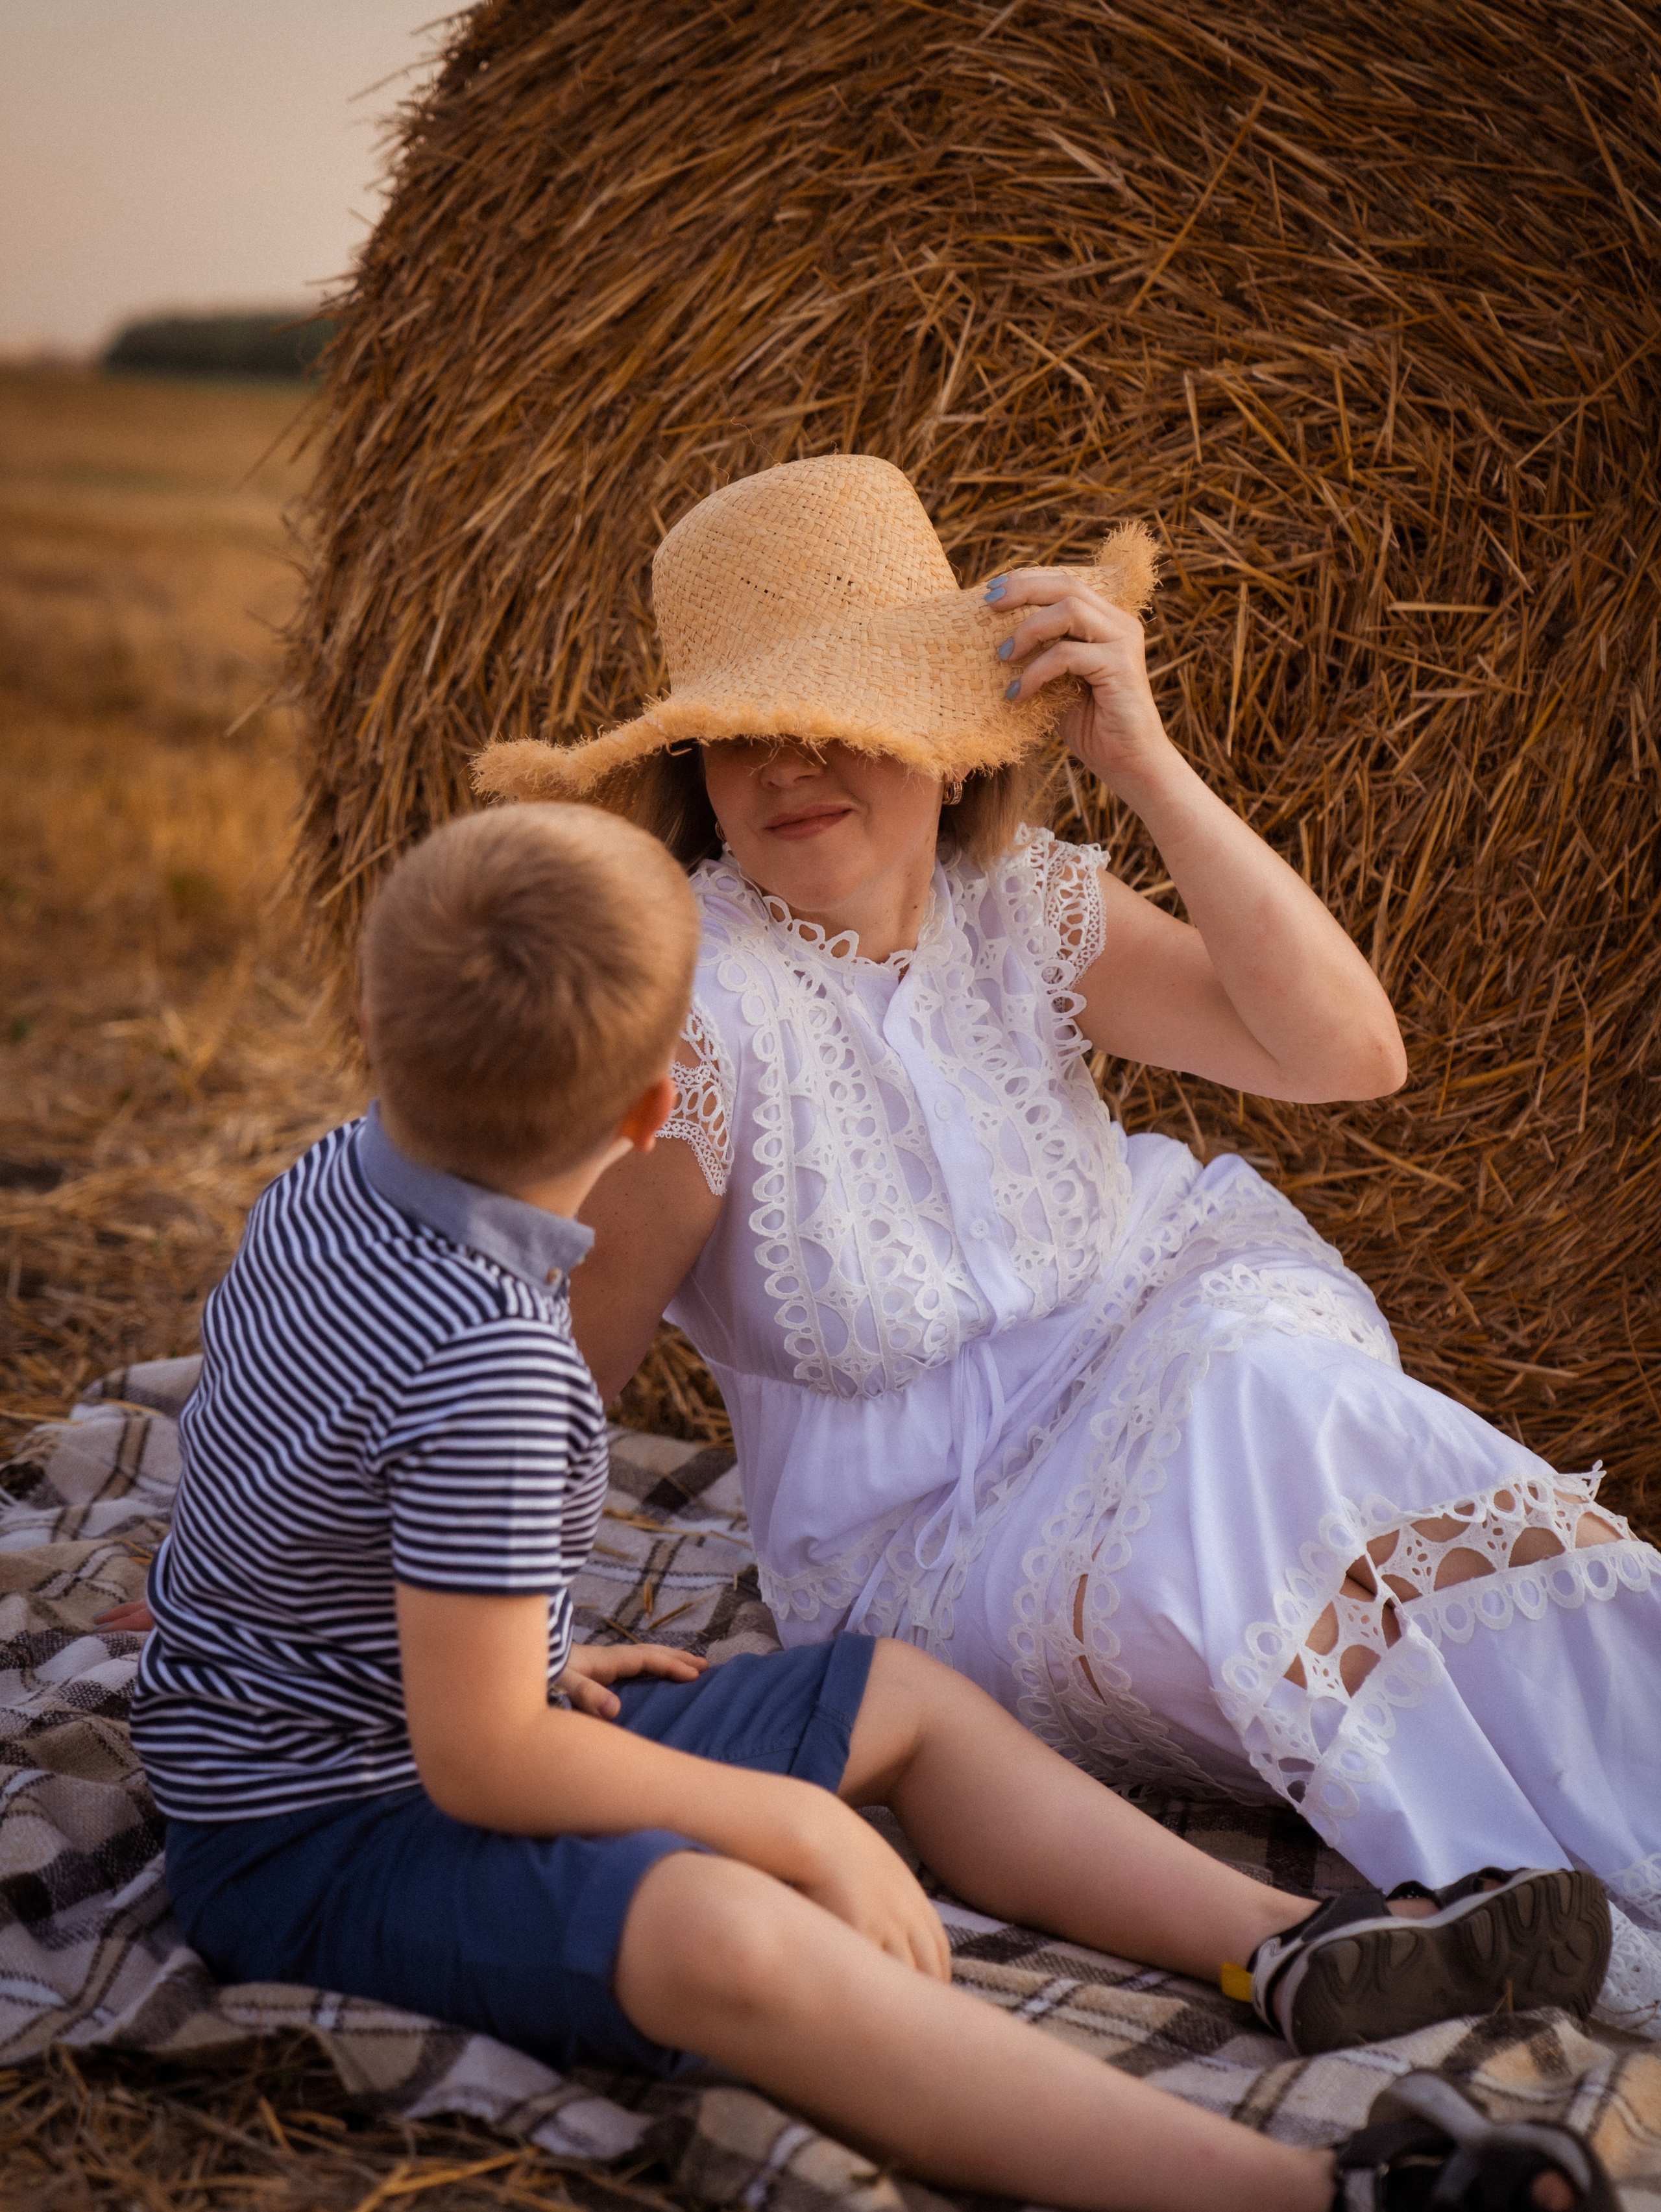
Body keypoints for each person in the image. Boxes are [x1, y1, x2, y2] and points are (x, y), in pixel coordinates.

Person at [126, 805, 1611, 2212]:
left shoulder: (332, 1176)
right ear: (659, 1108)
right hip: (310, 1831)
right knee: (735, 1934)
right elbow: (476, 1764)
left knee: (898, 1696)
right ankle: (1317, 2188)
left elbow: (312, 1487)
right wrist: (790, 1823)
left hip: (428, 1709)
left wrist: (524, 1645)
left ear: (374, 1033)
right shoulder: (502, 1370)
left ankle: (1287, 1948)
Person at [474, 452, 1661, 2039]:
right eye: (742, 728)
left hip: (1176, 1332)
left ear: (945, 737)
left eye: (844, 707)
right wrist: (424, 1620)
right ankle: (1535, 1903)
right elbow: (562, 1354)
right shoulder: (702, 1010)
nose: (791, 761)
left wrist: (1148, 761)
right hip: (936, 1550)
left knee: (1286, 1412)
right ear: (696, 765)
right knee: (1264, 1458)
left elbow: (1346, 1054)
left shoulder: (1019, 904)